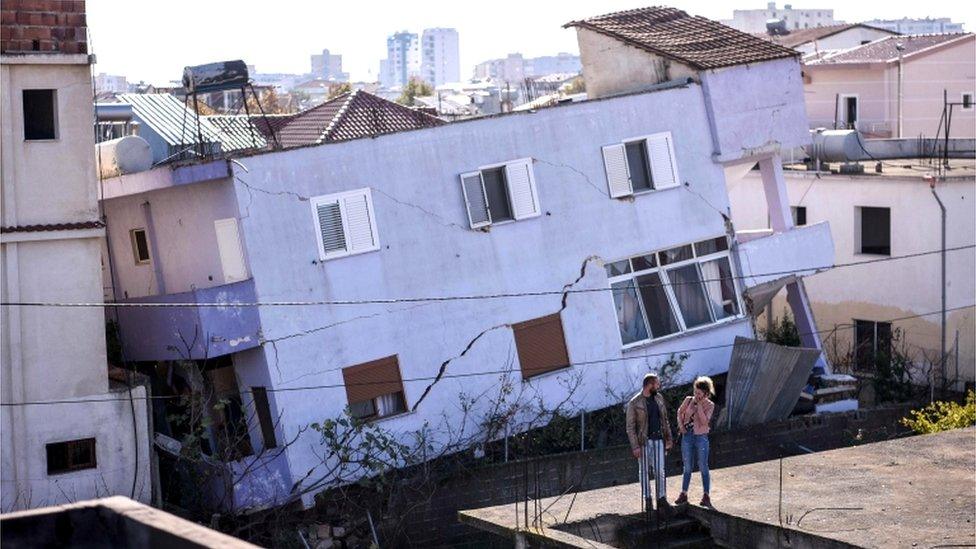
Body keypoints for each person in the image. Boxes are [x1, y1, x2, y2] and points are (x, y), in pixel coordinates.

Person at [625, 373, 673, 512]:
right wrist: (635, 446)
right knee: (644, 472)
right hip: (644, 442)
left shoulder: (659, 398)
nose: (658, 386)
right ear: (649, 385)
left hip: (659, 440)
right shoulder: (635, 402)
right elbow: (630, 427)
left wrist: (669, 438)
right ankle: (647, 499)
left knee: (660, 471)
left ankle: (661, 498)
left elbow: (665, 420)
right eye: (656, 384)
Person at [675, 376, 716, 508]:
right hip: (687, 436)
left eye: (699, 393)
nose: (696, 395)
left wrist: (698, 406)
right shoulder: (688, 400)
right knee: (687, 466)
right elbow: (679, 412)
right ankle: (683, 493)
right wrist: (681, 426)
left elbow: (704, 421)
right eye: (695, 392)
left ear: (706, 393)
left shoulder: (710, 405)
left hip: (701, 437)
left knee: (703, 465)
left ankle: (706, 495)